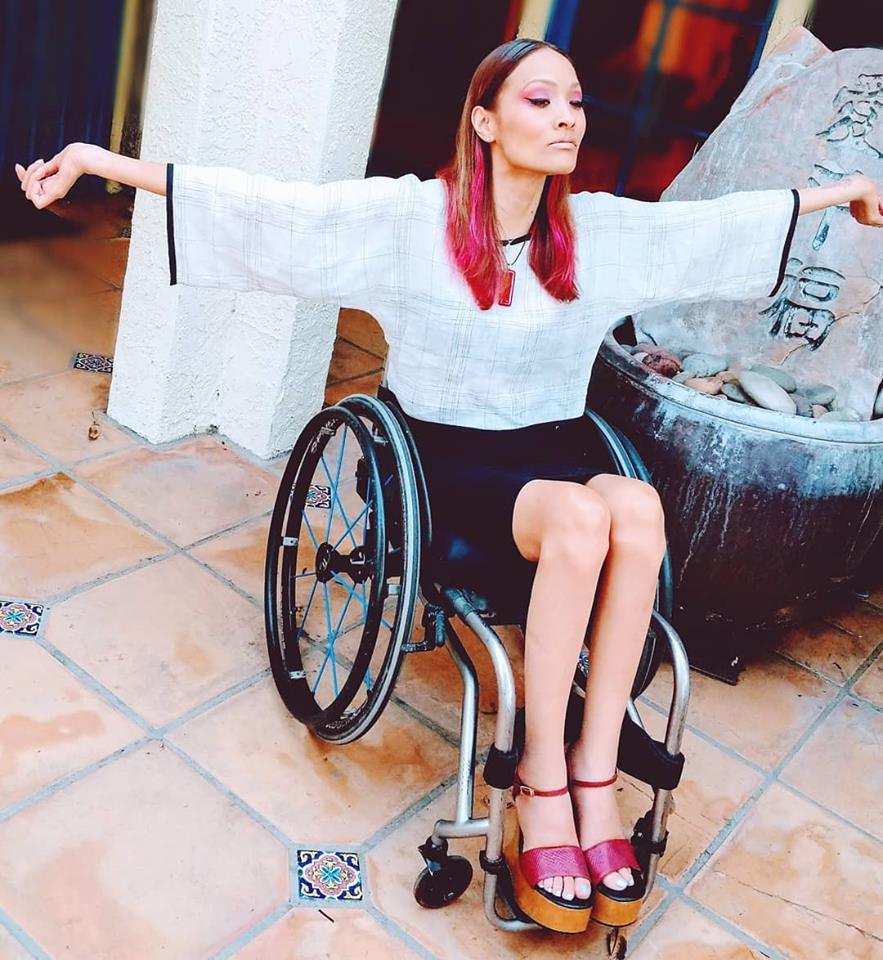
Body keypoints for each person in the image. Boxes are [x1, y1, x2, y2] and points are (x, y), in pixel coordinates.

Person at [16, 36, 883, 935]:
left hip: (553, 446)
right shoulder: (410, 221)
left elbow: (717, 226)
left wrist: (845, 192)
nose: (567, 119)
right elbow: (276, 209)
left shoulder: (595, 233)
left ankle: (593, 773)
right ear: (484, 121)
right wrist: (97, 160)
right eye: (540, 100)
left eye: (575, 102)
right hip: (444, 462)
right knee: (582, 518)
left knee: (635, 506)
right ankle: (537, 780)